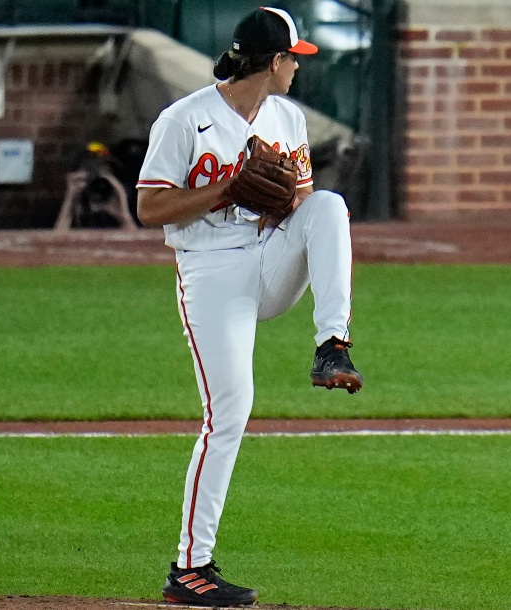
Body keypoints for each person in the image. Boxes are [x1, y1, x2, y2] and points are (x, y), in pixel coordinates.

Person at [135, 6, 364, 607]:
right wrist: (226, 188)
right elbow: (150, 209)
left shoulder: (288, 118)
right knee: (229, 412)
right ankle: (190, 568)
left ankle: (331, 343)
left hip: (269, 254)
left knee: (330, 208)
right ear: (272, 61)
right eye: (294, 57)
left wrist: (276, 199)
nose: (298, 67)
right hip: (210, 271)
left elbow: (303, 203)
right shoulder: (184, 120)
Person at [54, 141, 138, 231]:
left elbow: (139, 244)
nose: (99, 184)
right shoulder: (59, 212)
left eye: (106, 173)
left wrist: (124, 216)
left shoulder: (125, 208)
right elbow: (55, 243)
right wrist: (70, 203)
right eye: (91, 177)